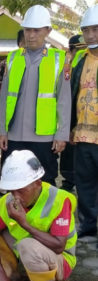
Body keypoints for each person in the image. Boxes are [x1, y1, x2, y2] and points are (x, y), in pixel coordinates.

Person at [0, 150, 77, 281]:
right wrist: (0, 274)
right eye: (11, 190)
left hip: (60, 261)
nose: (15, 196)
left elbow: (59, 246)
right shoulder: (8, 200)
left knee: (27, 244)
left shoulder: (58, 200)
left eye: (21, 190)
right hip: (31, 250)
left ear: (37, 183)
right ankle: (8, 271)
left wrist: (24, 223)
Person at [0, 5, 71, 187]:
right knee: (13, 182)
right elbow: (5, 97)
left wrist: (61, 135)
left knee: (45, 182)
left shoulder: (59, 60)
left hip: (44, 137)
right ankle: (16, 216)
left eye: (36, 30)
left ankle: (45, 216)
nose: (31, 35)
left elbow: (64, 101)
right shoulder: (13, 58)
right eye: (28, 30)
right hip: (14, 135)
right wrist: (2, 132)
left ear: (48, 31)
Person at [70, 5, 98, 238]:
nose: (90, 35)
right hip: (83, 135)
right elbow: (71, 95)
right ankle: (88, 225)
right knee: (85, 183)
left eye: (95, 30)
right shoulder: (80, 60)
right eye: (86, 30)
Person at [0, 29, 25, 196]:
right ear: (19, 43)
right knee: (8, 156)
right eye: (23, 41)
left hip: (34, 125)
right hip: (11, 118)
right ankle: (4, 181)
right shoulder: (9, 62)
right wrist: (1, 129)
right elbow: (2, 87)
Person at [59, 34, 86, 192]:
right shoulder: (66, 67)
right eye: (80, 49)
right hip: (71, 118)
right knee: (69, 155)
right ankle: (68, 183)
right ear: (72, 50)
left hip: (88, 119)